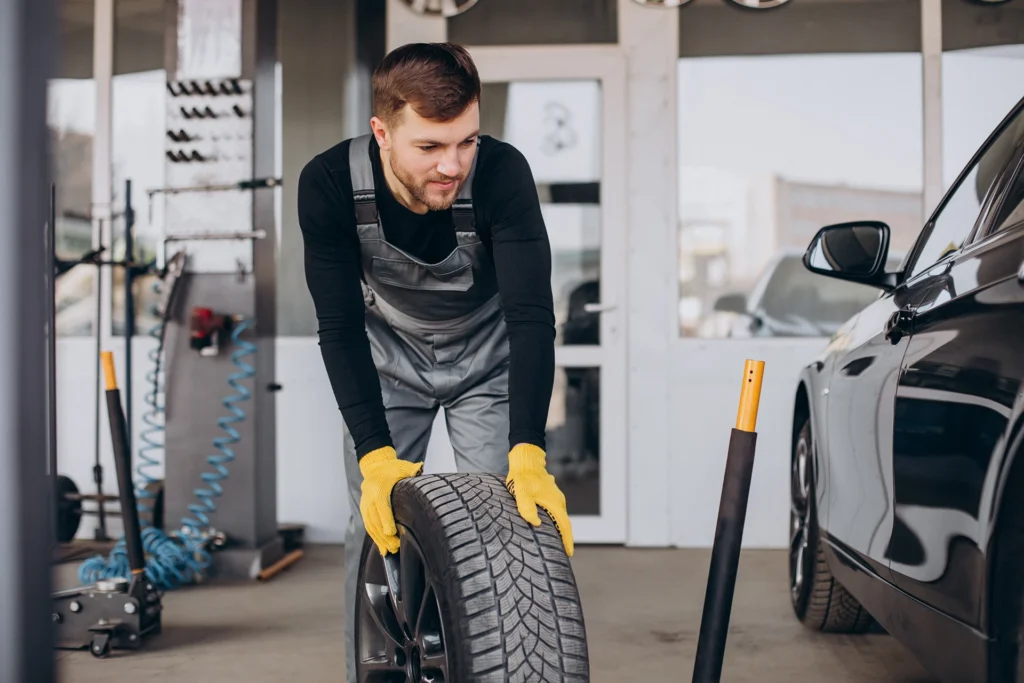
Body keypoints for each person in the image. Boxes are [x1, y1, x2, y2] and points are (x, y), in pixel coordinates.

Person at [296, 41, 575, 681]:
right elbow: (338, 326)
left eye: (466, 141)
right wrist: (374, 454)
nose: (453, 166)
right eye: (429, 147)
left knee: (513, 523)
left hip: (488, 361)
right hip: (387, 362)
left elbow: (532, 314)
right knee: (378, 530)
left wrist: (528, 450)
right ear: (383, 133)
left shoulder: (502, 173)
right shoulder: (331, 183)